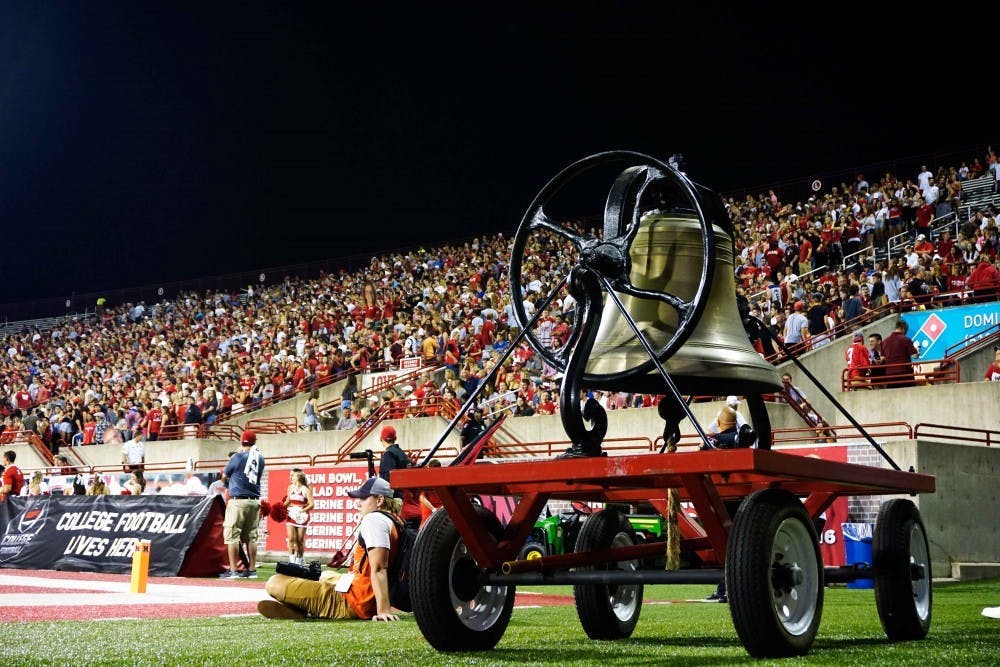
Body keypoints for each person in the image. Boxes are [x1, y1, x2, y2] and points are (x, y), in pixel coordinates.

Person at [258, 476, 402, 622]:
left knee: (274, 583)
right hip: (361, 592)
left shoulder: (374, 520)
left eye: (363, 498)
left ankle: (303, 608)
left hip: (353, 602)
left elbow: (380, 568)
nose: (358, 503)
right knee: (325, 575)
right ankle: (300, 606)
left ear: (379, 500)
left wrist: (383, 610)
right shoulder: (395, 520)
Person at [219, 429, 265, 579]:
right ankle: (252, 570)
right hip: (254, 500)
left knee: (232, 536)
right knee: (251, 537)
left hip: (238, 500)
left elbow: (224, 476)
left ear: (242, 441)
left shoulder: (237, 457)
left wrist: (228, 484)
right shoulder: (261, 459)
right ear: (254, 442)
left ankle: (233, 571)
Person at [377, 425, 419, 528]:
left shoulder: (389, 454)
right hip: (407, 502)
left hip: (395, 503)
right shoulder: (402, 454)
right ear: (395, 438)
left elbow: (386, 480)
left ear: (381, 438)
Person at [285, 470, 315, 565]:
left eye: (293, 476)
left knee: (300, 540)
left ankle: (299, 560)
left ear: (298, 478)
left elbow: (312, 504)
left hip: (301, 517)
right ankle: (291, 561)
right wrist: (280, 508)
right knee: (291, 538)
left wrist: (301, 511)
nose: (291, 477)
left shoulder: (305, 489)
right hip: (291, 515)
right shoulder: (290, 488)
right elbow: (287, 501)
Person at [881, 320, 919, 388]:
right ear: (903, 329)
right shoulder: (906, 339)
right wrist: (917, 350)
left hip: (890, 374)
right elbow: (915, 356)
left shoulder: (885, 341)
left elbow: (882, 358)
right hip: (905, 373)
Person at [418, 459, 443, 527]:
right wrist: (433, 509)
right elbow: (422, 498)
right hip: (431, 509)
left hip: (435, 509)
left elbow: (422, 497)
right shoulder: (427, 480)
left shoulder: (428, 479)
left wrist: (434, 510)